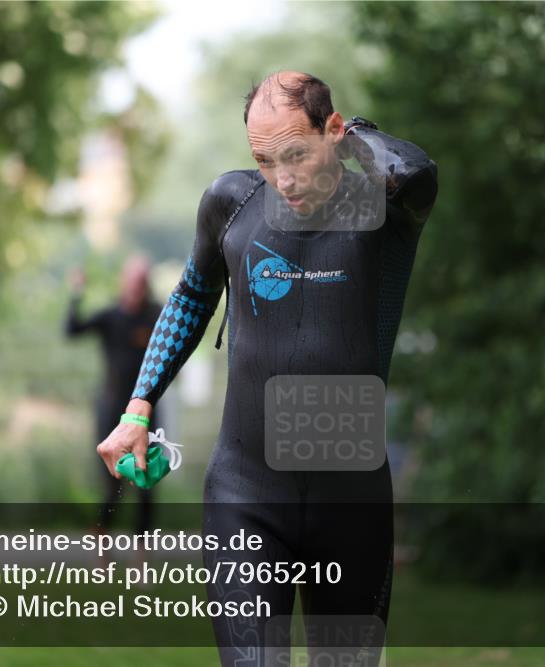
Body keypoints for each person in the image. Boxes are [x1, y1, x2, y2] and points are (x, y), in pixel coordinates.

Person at [96, 71, 437, 665]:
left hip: (351, 502)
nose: (283, 179)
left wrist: (351, 135)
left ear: (333, 130)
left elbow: (413, 170)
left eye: (296, 154)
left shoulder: (385, 206)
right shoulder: (232, 204)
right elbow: (191, 298)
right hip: (245, 493)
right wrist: (137, 407)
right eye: (264, 159)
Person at [66, 256, 161, 537]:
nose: (136, 287)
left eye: (141, 282)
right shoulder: (110, 317)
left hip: (146, 411)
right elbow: (72, 329)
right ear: (123, 282)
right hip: (111, 409)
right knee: (112, 483)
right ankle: (101, 536)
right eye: (133, 281)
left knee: (146, 482)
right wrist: (76, 292)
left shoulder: (156, 316)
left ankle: (141, 552)